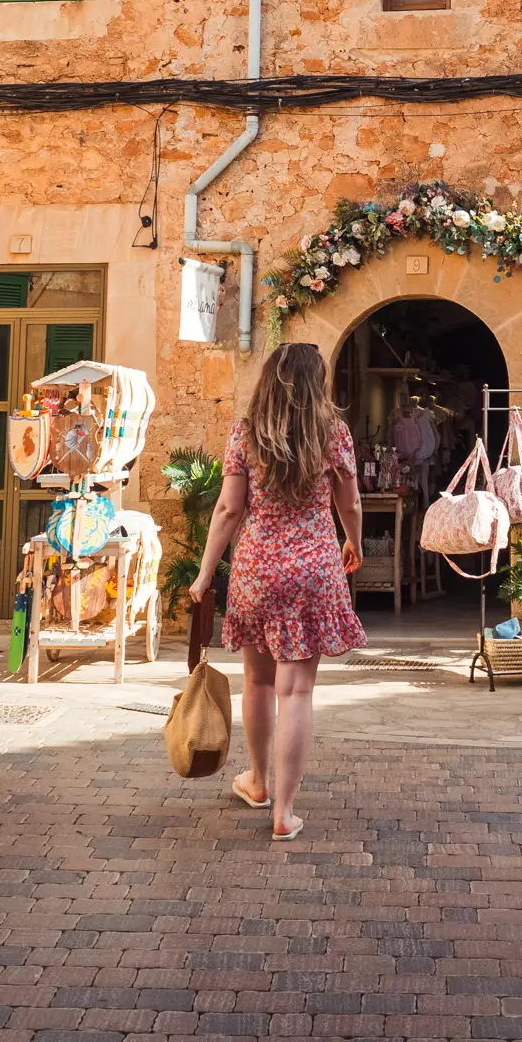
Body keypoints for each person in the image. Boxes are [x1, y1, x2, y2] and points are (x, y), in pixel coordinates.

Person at [191, 342, 365, 840]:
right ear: (318, 383)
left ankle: (258, 781)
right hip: (313, 569)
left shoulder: (245, 433)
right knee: (297, 691)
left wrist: (205, 575)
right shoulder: (334, 433)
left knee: (259, 682)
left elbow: (228, 510)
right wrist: (352, 541)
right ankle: (284, 813)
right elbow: (349, 503)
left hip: (257, 569)